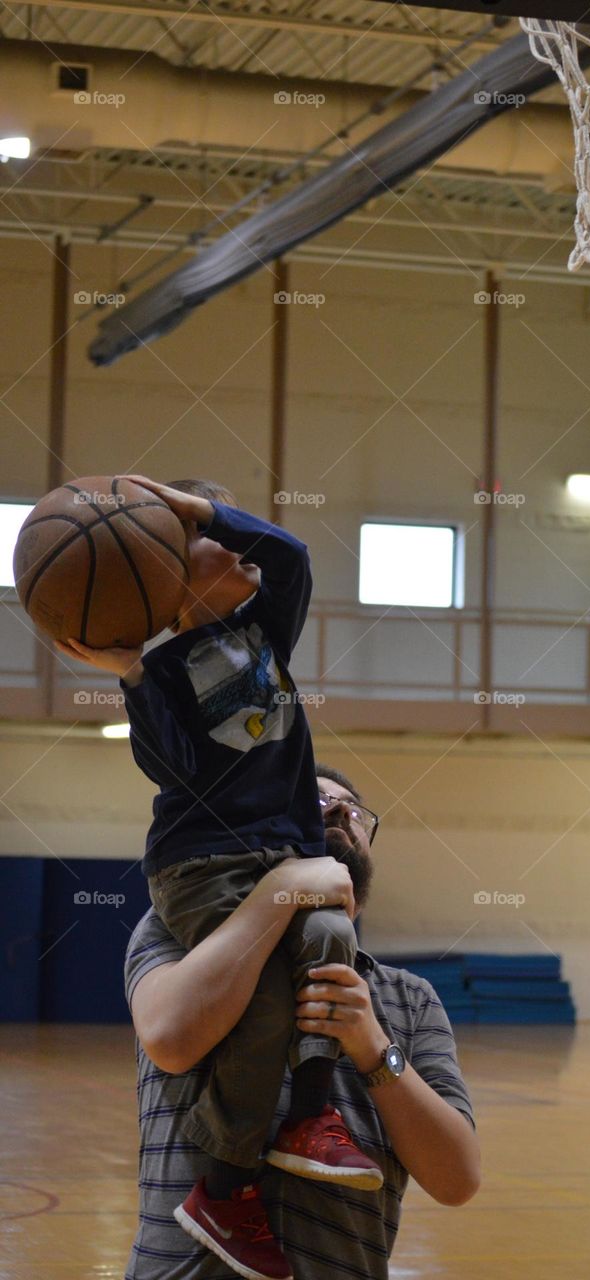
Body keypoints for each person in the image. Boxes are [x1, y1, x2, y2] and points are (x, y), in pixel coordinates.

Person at [60, 477, 380, 1280]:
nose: (240, 551)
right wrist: (130, 671)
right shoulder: (164, 672)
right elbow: (165, 764)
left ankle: (312, 1118)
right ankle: (225, 1184)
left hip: (283, 856)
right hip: (201, 864)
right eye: (214, 544)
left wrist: (197, 509)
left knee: (333, 934)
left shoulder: (264, 629)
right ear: (168, 570)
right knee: (263, 998)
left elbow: (293, 556)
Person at [125, 764, 481, 1280]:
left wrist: (373, 1046)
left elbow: (457, 1180)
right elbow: (170, 1040)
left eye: (354, 811)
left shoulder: (411, 998)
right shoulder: (179, 934)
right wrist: (280, 888)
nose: (340, 811)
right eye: (314, 801)